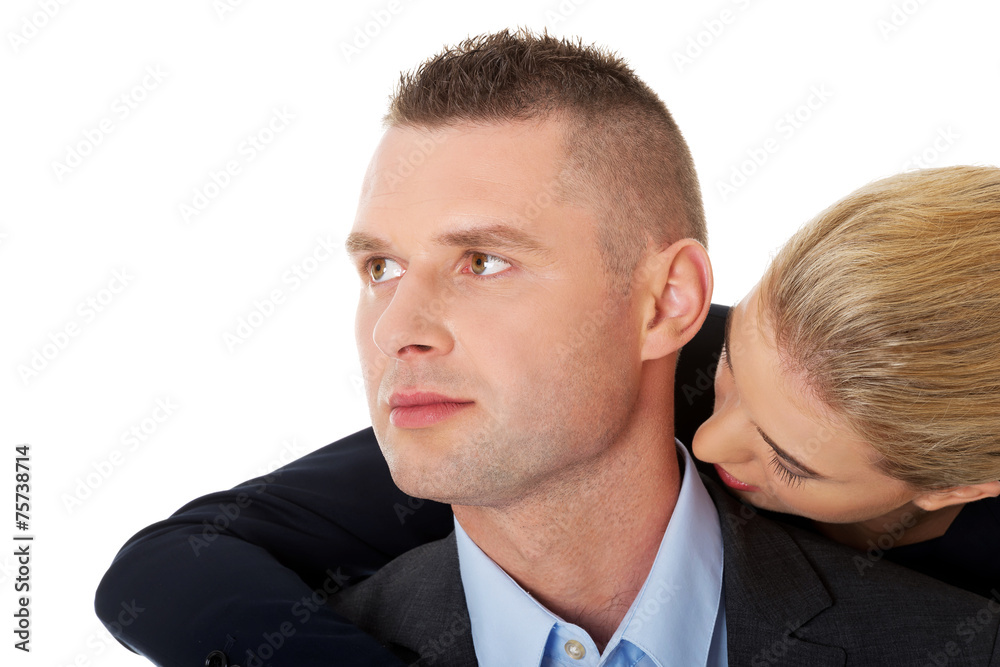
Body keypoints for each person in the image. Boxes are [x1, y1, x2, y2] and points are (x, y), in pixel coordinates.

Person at [95, 31, 1000, 667]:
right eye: (380, 267)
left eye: (484, 261)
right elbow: (172, 562)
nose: (707, 440)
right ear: (680, 309)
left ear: (959, 485)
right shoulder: (698, 359)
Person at [692, 165, 1000, 598]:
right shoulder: (657, 347)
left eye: (788, 462)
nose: (704, 444)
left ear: (953, 489)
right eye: (729, 357)